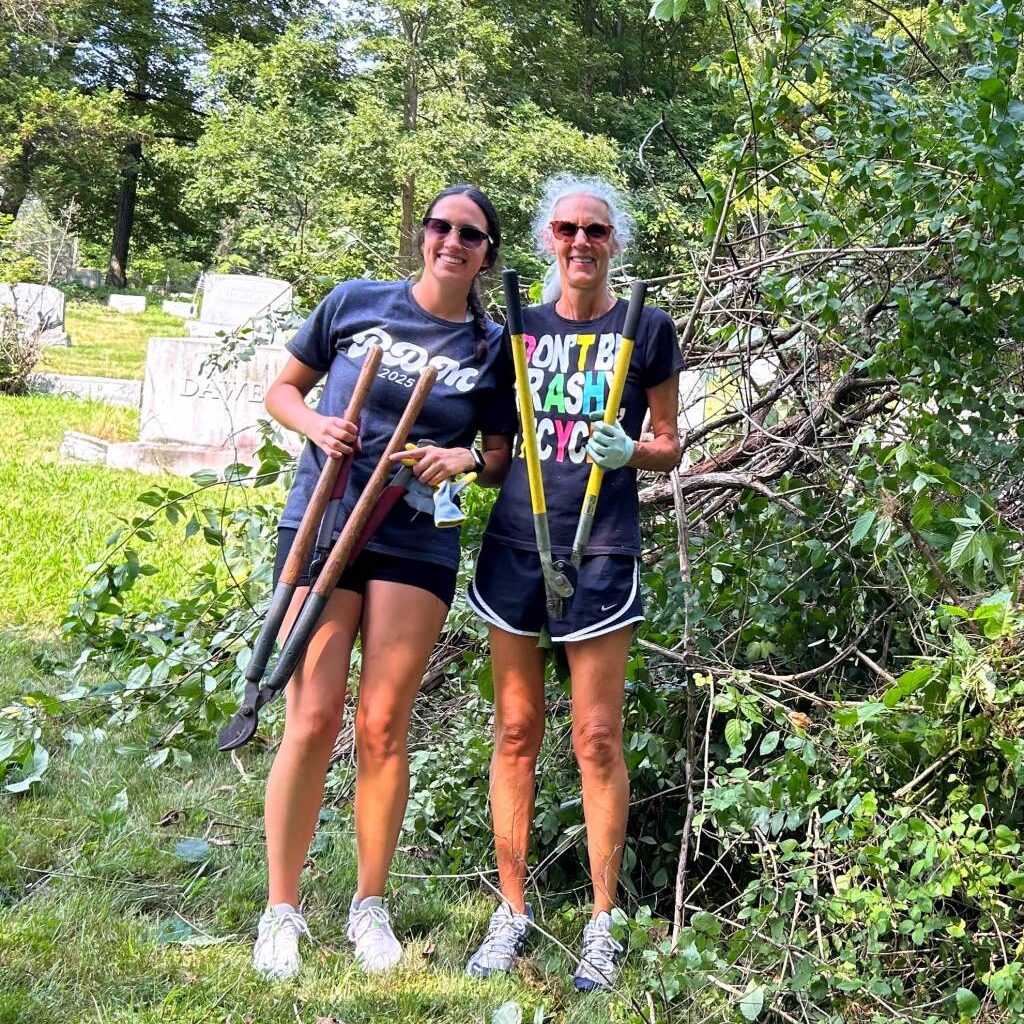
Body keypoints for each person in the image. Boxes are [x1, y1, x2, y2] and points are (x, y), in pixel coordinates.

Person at [251, 185, 515, 981]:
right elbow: (281, 391)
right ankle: (281, 910)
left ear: (486, 254)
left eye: (470, 235)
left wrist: (464, 458)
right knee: (312, 715)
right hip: (323, 523)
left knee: (382, 723)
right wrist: (315, 426)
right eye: (440, 227)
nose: (452, 242)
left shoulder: (492, 345)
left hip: (413, 540)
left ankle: (369, 906)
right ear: (423, 235)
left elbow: (500, 456)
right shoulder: (354, 303)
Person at [465, 175, 683, 991]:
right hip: (517, 545)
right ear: (546, 239)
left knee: (596, 740)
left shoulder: (645, 328)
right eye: (567, 229)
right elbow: (490, 452)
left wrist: (637, 453)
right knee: (516, 733)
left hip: (603, 549)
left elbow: (669, 442)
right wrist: (453, 469)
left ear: (614, 242)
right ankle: (511, 910)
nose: (581, 242)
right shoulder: (514, 331)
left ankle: (600, 922)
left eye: (596, 230)